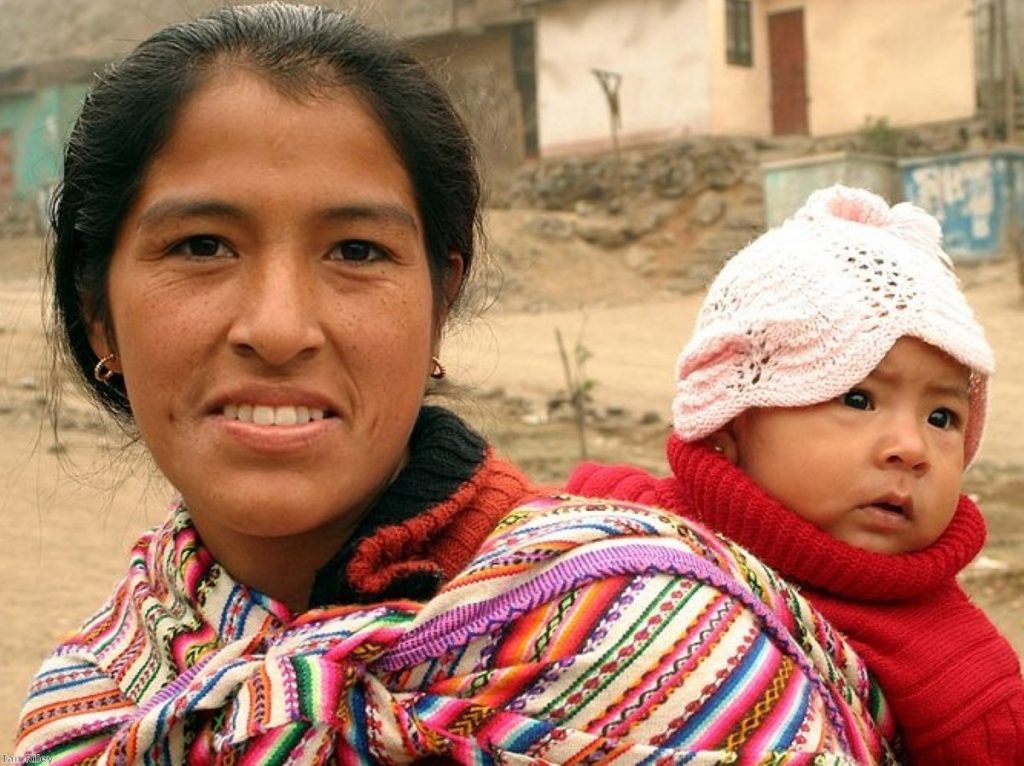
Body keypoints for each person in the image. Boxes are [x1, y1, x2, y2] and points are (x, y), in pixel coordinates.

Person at [15, 5, 898, 762]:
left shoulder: (662, 648)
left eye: (356, 251)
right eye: (202, 246)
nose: (278, 328)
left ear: (440, 304)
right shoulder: (94, 705)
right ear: (100, 316)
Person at [567, 184, 1024, 763]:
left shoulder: (959, 675)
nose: (912, 448)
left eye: (942, 417)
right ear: (731, 420)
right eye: (858, 398)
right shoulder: (636, 525)